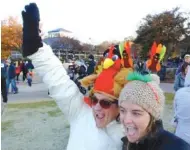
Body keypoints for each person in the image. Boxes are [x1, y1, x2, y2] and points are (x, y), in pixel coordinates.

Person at [21, 3, 131, 150]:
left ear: (121, 106)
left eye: (105, 103)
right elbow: (59, 81)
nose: (97, 107)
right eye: (94, 99)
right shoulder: (81, 113)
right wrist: (36, 48)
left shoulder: (132, 133)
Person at [118, 72, 190, 150]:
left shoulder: (179, 148)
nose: (126, 120)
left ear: (153, 116)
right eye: (123, 111)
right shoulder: (127, 144)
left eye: (136, 113)